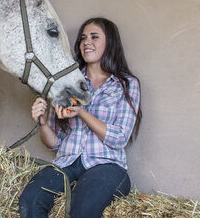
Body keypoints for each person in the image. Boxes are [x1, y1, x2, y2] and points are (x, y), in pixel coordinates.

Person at [19, 17, 142, 218]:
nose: (87, 42)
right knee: (29, 200)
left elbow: (119, 138)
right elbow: (53, 143)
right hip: (67, 162)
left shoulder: (126, 85)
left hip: (106, 165)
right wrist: (42, 122)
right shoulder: (66, 83)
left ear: (110, 42)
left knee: (84, 208)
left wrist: (82, 113)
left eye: (94, 37)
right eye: (83, 38)